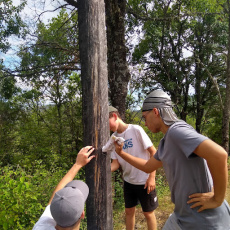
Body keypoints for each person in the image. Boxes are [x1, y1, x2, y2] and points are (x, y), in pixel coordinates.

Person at [113, 90, 230, 230]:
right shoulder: (167, 141)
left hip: (202, 218)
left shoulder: (176, 132)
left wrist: (217, 198)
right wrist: (121, 153)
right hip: (182, 216)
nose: (145, 123)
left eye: (145, 117)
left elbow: (219, 155)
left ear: (155, 112)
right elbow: (147, 166)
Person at [106, 105, 158, 230]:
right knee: (129, 211)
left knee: (148, 213)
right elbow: (116, 163)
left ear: (114, 116)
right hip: (129, 181)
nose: (106, 127)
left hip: (145, 180)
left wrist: (152, 177)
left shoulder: (136, 130)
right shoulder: (113, 139)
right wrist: (103, 171)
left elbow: (154, 153)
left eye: (106, 122)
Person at [32, 146, 95, 230]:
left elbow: (58, 195)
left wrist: (77, 165)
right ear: (82, 214)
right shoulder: (43, 224)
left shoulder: (42, 226)